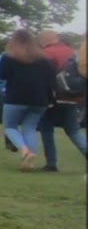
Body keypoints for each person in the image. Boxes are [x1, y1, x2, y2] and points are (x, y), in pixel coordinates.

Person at [0, 29, 56, 171]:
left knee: (10, 127)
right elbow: (50, 81)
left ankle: (24, 150)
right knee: (29, 129)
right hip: (39, 100)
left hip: (15, 98)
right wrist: (50, 99)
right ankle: (30, 159)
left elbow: (1, 75)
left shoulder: (8, 57)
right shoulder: (43, 59)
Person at [35, 30, 87, 172]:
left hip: (53, 97)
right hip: (73, 97)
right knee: (74, 131)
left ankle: (51, 163)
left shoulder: (46, 54)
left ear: (44, 40)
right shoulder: (72, 52)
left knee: (46, 130)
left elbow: (43, 78)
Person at [0, 52, 15, 150]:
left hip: (6, 90)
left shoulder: (0, 58)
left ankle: (10, 141)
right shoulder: (29, 55)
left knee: (8, 116)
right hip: (25, 90)